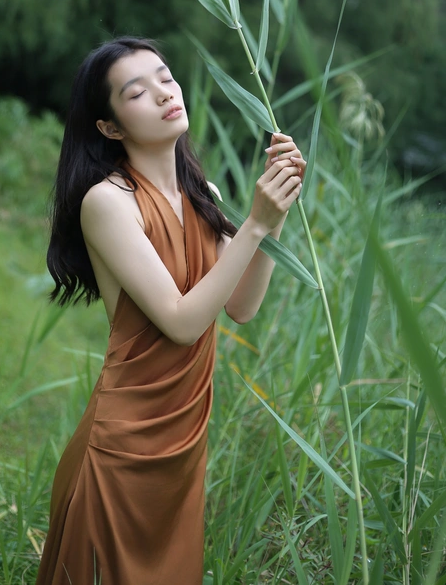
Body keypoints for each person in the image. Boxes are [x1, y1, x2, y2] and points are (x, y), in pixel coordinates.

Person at [36, 36, 306, 585]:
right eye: (137, 92)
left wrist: (273, 217)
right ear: (110, 127)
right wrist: (254, 224)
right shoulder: (107, 202)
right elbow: (182, 323)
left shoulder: (201, 192)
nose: (164, 93)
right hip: (123, 442)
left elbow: (241, 305)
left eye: (166, 77)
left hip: (184, 437)